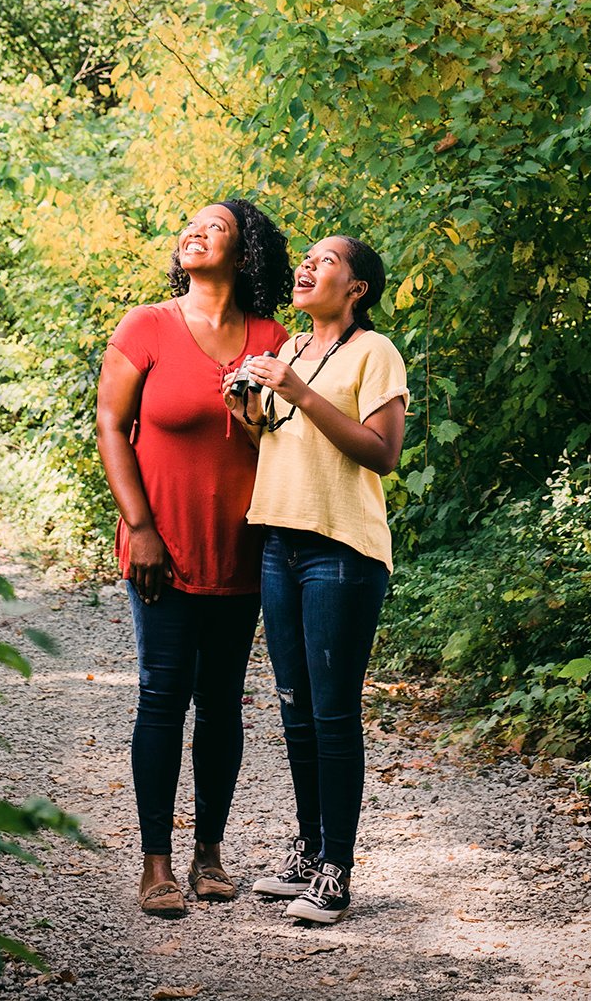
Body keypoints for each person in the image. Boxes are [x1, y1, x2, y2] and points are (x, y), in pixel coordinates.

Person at [96, 199, 292, 917]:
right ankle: (157, 865)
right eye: (192, 223)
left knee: (221, 706)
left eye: (215, 228)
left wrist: (252, 420)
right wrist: (138, 526)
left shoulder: (272, 338)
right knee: (162, 696)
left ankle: (210, 854)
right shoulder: (147, 325)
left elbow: (280, 441)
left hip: (241, 547)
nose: (195, 231)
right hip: (162, 549)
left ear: (244, 258)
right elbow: (113, 428)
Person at [224, 234, 408, 924]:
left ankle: (337, 870)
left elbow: (382, 453)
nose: (306, 265)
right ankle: (306, 849)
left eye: (326, 260)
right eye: (306, 257)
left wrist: (298, 391)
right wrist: (246, 410)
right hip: (279, 542)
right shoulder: (289, 351)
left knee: (333, 715)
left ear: (357, 287)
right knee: (295, 708)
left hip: (342, 552)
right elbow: (273, 444)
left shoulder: (374, 351)